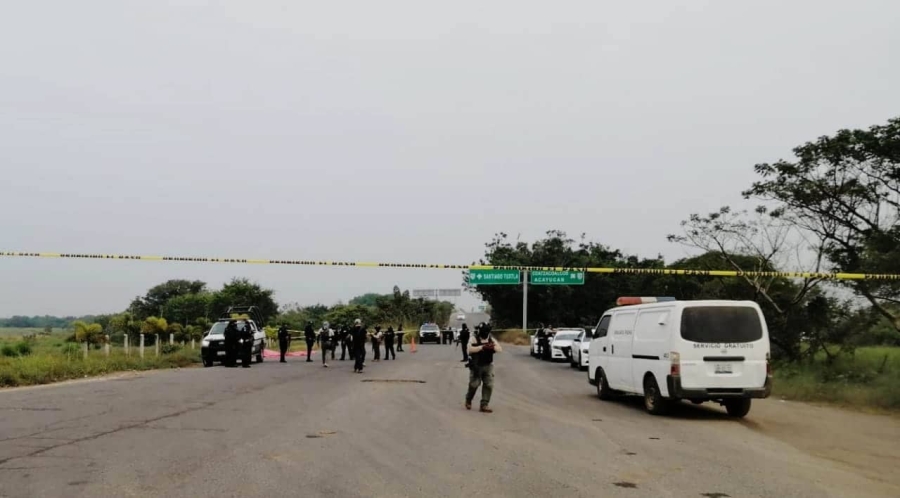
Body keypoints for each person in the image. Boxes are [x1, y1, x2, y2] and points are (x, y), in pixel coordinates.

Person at [465, 322, 502, 413]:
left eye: (487, 332)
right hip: (476, 366)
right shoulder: (474, 338)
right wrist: (481, 347)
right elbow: (469, 349)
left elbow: (500, 349)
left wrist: (492, 347)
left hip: (488, 365)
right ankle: (468, 399)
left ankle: (484, 404)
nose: (486, 334)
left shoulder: (490, 339)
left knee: (489, 385)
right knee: (474, 385)